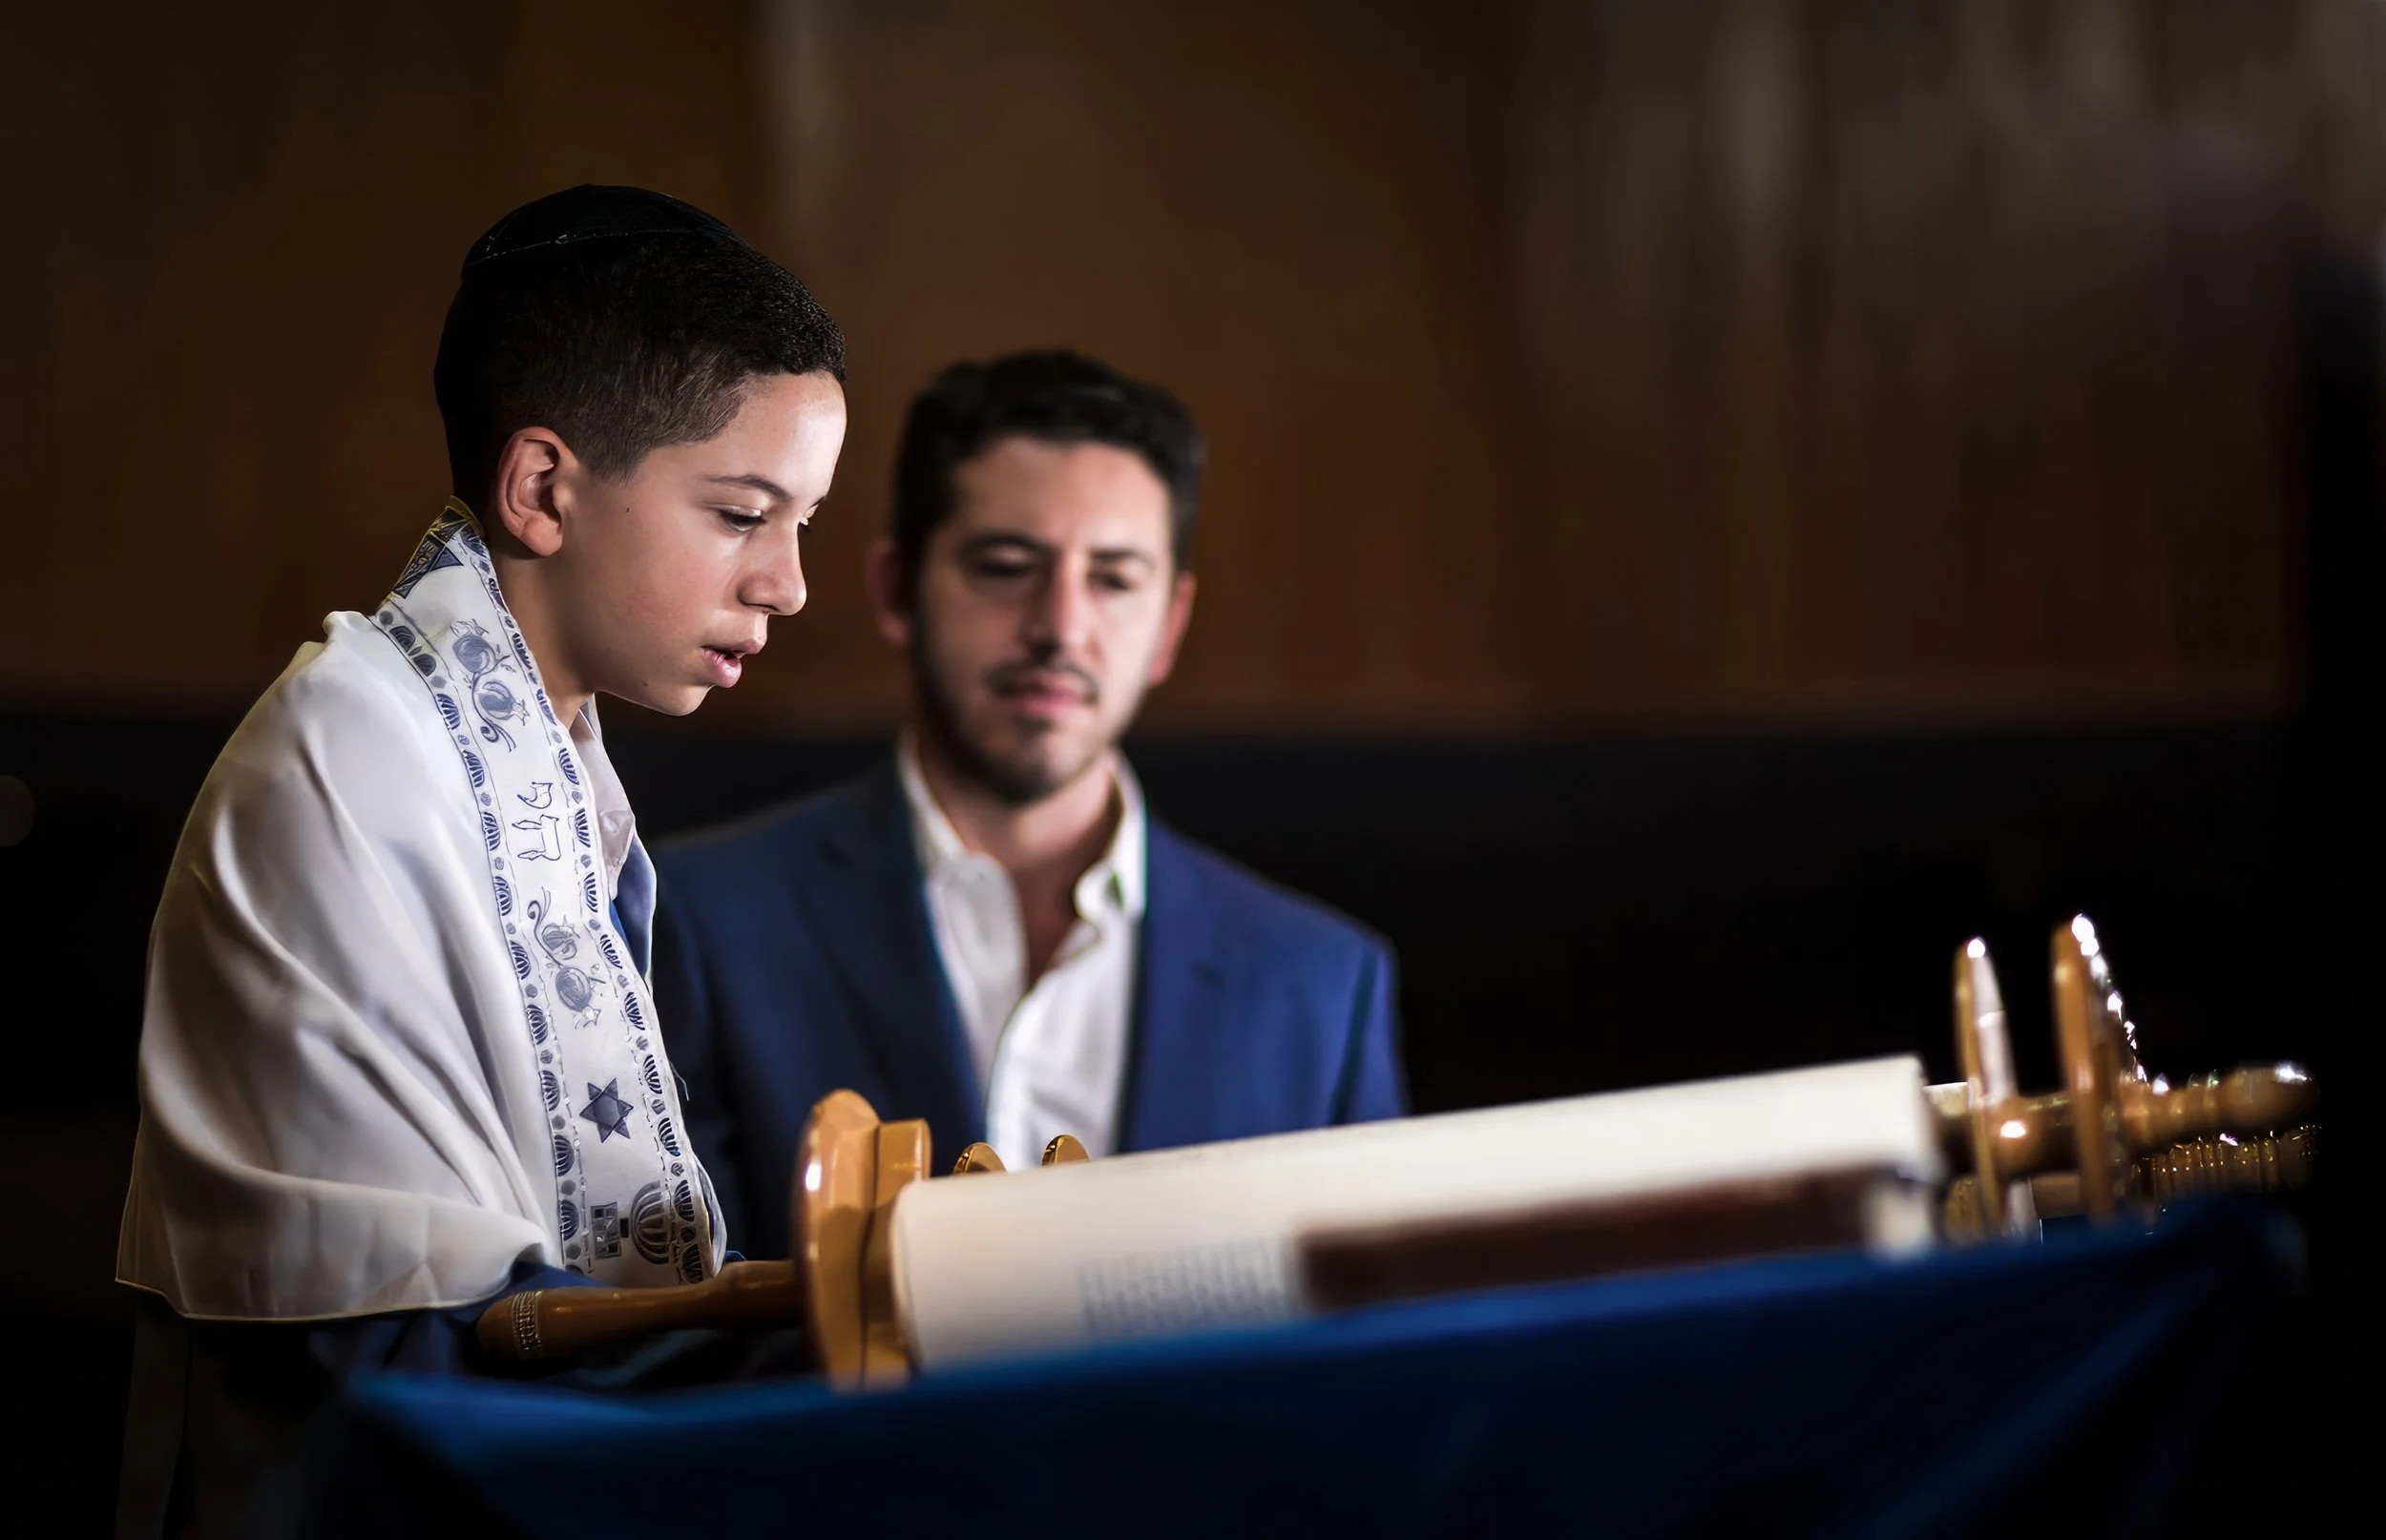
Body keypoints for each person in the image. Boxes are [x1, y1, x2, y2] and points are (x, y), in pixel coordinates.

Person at [113, 184, 848, 1537]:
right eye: (745, 514)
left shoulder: (547, 745)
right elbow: (388, 1314)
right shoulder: (347, 751)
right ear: (543, 487)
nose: (789, 583)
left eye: (802, 520)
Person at [652, 350, 1406, 1260]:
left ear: (1170, 624)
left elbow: (1357, 1350)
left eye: (1116, 579)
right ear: (898, 590)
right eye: (1007, 566)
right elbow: (669, 1332)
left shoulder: (1320, 987)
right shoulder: (691, 919)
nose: (1061, 626)